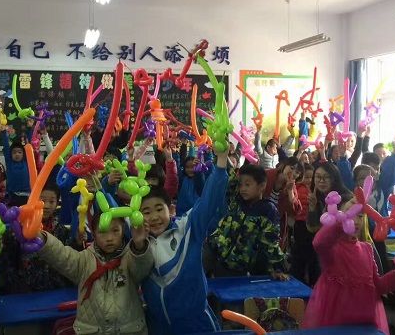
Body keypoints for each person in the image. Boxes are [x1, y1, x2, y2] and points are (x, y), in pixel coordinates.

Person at [140, 144, 229, 335]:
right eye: (146, 212)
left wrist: (221, 162)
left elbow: (208, 201)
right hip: (158, 327)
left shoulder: (187, 228)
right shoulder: (138, 242)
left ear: (171, 209)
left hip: (197, 325)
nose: (154, 217)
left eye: (159, 209)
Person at [302, 199, 395, 334]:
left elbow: (377, 286)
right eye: (349, 214)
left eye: (360, 215)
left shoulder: (367, 249)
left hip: (363, 320)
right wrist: (340, 224)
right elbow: (319, 243)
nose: (355, 221)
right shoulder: (332, 249)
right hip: (335, 320)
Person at [36, 215, 153, 335]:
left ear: (123, 231)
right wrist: (40, 238)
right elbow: (61, 255)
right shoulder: (84, 260)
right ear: (94, 234)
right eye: (102, 232)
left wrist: (139, 244)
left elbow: (142, 267)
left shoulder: (131, 258)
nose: (109, 238)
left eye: (115, 230)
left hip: (130, 330)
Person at [205, 163, 289, 278]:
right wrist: (221, 158)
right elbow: (229, 176)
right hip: (215, 254)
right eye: (241, 185)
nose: (243, 189)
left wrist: (277, 268)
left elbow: (270, 242)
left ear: (262, 186)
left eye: (248, 184)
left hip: (239, 268)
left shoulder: (268, 210)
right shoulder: (236, 201)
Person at [290, 163, 319, 286]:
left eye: (311, 177)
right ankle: (298, 278)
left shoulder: (316, 190)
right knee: (300, 251)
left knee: (312, 253)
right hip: (300, 224)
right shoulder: (297, 188)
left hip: (312, 224)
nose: (309, 180)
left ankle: (312, 280)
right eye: (306, 177)